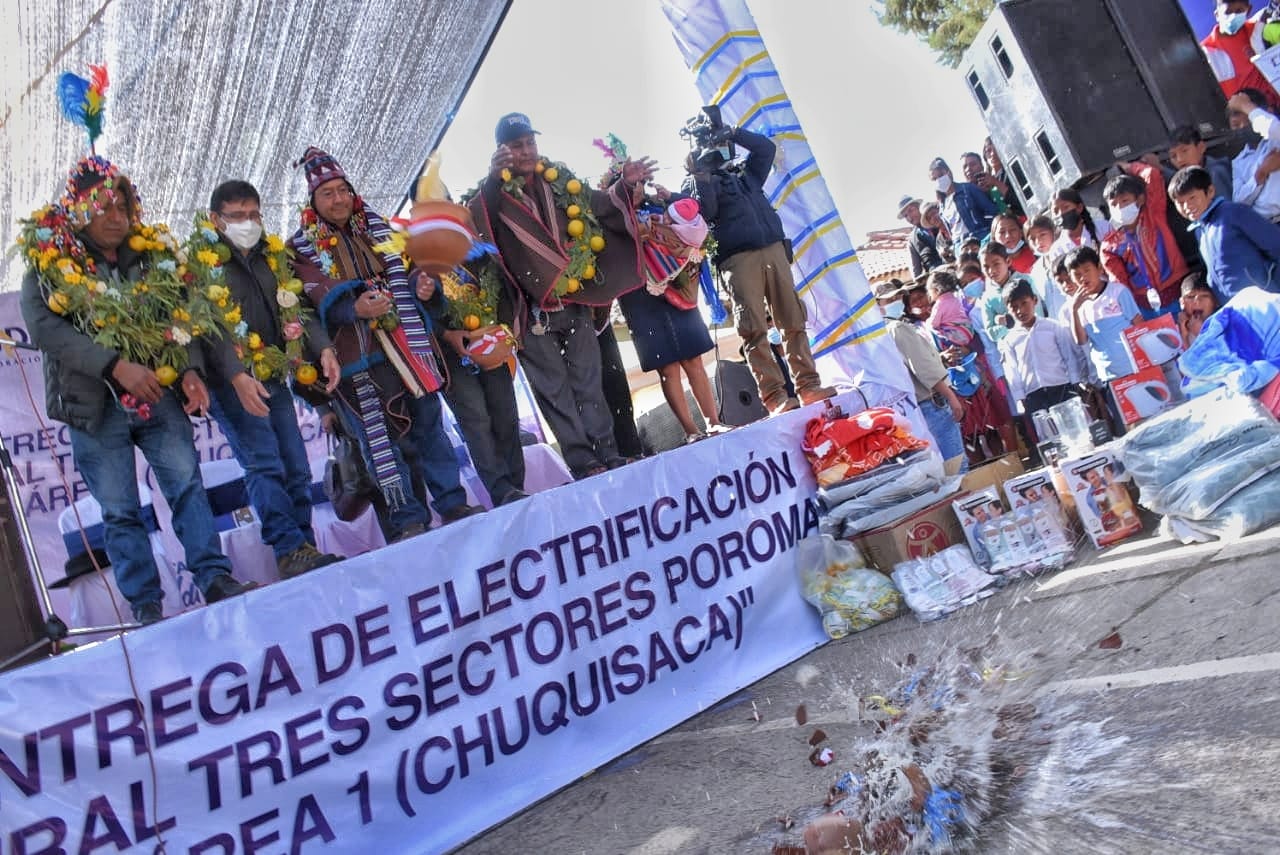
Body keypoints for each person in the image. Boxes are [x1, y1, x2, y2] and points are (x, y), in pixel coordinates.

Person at [18, 156, 256, 624]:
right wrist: (114, 366)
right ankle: (146, 605)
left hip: (158, 395)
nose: (117, 217)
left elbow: (181, 316)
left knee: (187, 486)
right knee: (119, 509)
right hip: (95, 406)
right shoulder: (48, 264)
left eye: (123, 207)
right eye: (104, 208)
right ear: (79, 211)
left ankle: (214, 578)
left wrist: (189, 371)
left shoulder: (153, 256)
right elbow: (46, 329)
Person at [289, 146, 482, 541]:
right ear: (313, 200)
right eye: (327, 193)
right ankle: (407, 518)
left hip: (408, 346)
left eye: (343, 190)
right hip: (357, 359)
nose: (338, 199)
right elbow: (306, 302)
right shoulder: (300, 248)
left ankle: (452, 502)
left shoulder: (380, 228)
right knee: (380, 443)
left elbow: (412, 271)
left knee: (430, 427)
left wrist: (423, 286)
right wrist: (351, 307)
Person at [468, 113, 655, 478]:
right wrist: (492, 179)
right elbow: (478, 222)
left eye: (530, 143)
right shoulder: (493, 193)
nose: (527, 151)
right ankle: (583, 462)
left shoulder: (559, 181)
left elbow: (599, 204)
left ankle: (608, 453)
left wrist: (625, 184)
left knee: (589, 382)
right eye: (517, 146)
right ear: (502, 151)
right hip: (529, 311)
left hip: (574, 300)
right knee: (555, 391)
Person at [199, 180, 343, 577]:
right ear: (215, 219)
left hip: (274, 376)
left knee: (296, 466)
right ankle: (288, 548)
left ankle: (305, 547)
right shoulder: (202, 264)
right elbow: (208, 328)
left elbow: (298, 311)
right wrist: (235, 374)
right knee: (264, 464)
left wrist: (323, 348)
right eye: (237, 217)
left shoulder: (273, 257)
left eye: (254, 215)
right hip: (234, 384)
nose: (247, 223)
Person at [682, 124, 835, 414]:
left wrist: (733, 132)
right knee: (753, 328)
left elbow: (766, 149)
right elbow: (705, 213)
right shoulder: (697, 181)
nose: (718, 150)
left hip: (773, 250)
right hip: (738, 260)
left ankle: (808, 386)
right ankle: (775, 396)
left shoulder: (744, 173)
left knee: (793, 319)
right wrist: (700, 175)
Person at [612, 180, 730, 444]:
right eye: (630, 185)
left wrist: (668, 201)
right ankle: (691, 431)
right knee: (667, 367)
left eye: (640, 183)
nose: (637, 189)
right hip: (640, 297)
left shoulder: (660, 207)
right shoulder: (612, 218)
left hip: (677, 287)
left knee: (693, 359)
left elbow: (694, 216)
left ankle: (714, 422)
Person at [429, 262, 529, 506]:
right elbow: (414, 308)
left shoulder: (475, 248)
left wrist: (503, 325)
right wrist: (444, 333)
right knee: (476, 419)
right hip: (449, 352)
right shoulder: (411, 258)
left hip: (489, 338)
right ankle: (501, 490)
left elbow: (500, 282)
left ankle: (517, 485)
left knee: (505, 413)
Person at [873, 279, 967, 475]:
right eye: (889, 299)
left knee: (940, 470)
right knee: (956, 466)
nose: (896, 301)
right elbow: (924, 369)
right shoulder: (897, 328)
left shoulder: (880, 333)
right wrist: (951, 396)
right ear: (878, 305)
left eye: (898, 296)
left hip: (913, 408)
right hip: (930, 404)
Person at [925, 270, 1018, 466]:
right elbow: (930, 359)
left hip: (974, 378)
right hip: (954, 384)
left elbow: (978, 344)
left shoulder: (950, 313)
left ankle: (1005, 467)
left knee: (990, 426)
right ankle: (982, 472)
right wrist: (943, 357)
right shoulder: (930, 327)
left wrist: (967, 350)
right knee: (968, 433)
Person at [1169, 164, 1280, 300]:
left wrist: (1273, 293)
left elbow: (1276, 245)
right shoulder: (1200, 231)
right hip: (1236, 307)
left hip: (1265, 302)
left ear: (1210, 191)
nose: (1187, 206)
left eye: (1192, 197)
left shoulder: (1233, 213)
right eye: (1180, 202)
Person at [1067, 246, 1143, 430]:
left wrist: (1144, 362)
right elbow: (1081, 340)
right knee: (1128, 427)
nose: (1083, 278)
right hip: (1109, 376)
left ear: (1099, 268)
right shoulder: (1078, 305)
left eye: (1087, 270)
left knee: (1148, 416)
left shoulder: (1118, 291)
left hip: (1134, 368)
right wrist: (1074, 310)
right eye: (1077, 274)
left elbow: (1139, 324)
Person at [1099, 162, 1189, 319]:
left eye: (1125, 201)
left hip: (1176, 290)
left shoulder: (1153, 214)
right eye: (1114, 204)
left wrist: (1130, 167)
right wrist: (1133, 312)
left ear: (1139, 199)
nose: (1120, 208)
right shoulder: (1109, 246)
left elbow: (1152, 175)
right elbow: (1120, 284)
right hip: (1145, 306)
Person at [998, 279, 1087, 420]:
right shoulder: (1010, 339)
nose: (1020, 311)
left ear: (1035, 300)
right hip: (1033, 395)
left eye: (1024, 303)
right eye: (1014, 307)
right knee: (1047, 430)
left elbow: (1068, 355)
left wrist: (1075, 381)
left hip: (1061, 387)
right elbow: (1012, 371)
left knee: (1073, 425)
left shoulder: (1052, 327)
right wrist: (1019, 397)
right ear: (1008, 310)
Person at [1201, 0, 1280, 108]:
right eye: (1228, 12)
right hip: (1244, 115)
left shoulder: (1258, 30)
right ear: (1217, 15)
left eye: (1239, 11)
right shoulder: (1206, 54)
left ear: (1248, 10)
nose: (1233, 16)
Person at [1226, 88, 1280, 221]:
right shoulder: (1238, 161)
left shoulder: (1275, 141)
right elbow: (1239, 202)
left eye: (1249, 121)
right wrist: (1261, 173)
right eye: (1236, 125)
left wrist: (1245, 105)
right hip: (1268, 224)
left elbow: (1272, 128)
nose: (1242, 128)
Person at [929, 156, 1000, 252]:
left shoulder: (967, 189)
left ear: (948, 172)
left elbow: (991, 211)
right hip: (960, 247)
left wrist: (987, 235)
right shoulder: (942, 206)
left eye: (940, 175)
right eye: (934, 179)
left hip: (980, 240)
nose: (938, 180)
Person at [977, 242, 1039, 345]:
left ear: (1008, 261)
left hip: (1037, 337)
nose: (991, 271)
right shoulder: (987, 297)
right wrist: (1009, 323)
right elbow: (992, 334)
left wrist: (1006, 320)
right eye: (986, 267)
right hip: (1013, 346)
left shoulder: (1025, 280)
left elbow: (1038, 314)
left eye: (996, 264)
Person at [1167, 124, 1234, 203]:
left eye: (1184, 151)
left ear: (1201, 147)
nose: (1179, 159)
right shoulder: (1192, 175)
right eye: (1173, 156)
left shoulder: (1216, 173)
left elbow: (1227, 206)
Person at [1050, 187, 1113, 257]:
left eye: (1066, 207)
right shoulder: (1056, 250)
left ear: (1079, 207)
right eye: (1056, 211)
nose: (1061, 213)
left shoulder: (1103, 227)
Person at [897, 195, 944, 276]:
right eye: (906, 216)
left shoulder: (938, 220)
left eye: (911, 210)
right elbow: (916, 270)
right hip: (937, 276)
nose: (909, 217)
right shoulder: (912, 240)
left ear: (919, 207)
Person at [982, 137, 1026, 219]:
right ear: (985, 156)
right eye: (989, 151)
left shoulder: (1014, 171)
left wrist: (995, 182)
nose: (993, 154)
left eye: (997, 149)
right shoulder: (984, 183)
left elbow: (1021, 201)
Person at [1178, 273, 1222, 347]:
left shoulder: (1224, 325)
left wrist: (1200, 334)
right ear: (1182, 302)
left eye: (1204, 296)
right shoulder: (1174, 329)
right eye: (1190, 297)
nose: (1197, 301)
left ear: (1216, 301)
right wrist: (1184, 336)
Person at [961, 150, 1009, 216]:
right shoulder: (963, 197)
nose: (968, 169)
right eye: (965, 167)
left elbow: (1006, 212)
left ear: (982, 166)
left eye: (973, 164)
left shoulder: (993, 189)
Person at [920, 201, 956, 266]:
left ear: (940, 211)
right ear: (930, 222)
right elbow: (947, 263)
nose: (933, 218)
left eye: (934, 213)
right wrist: (945, 256)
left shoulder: (955, 225)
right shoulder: (939, 240)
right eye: (929, 218)